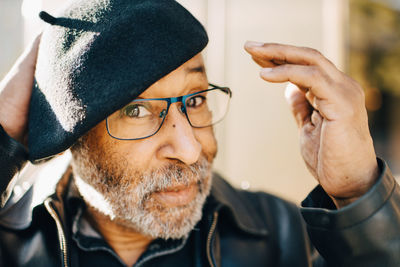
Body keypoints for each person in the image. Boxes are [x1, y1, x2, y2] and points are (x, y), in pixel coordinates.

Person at [0, 0, 399, 266]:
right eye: (136, 110)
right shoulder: (10, 242)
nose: (191, 149)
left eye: (194, 101)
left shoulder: (284, 235)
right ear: (74, 137)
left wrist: (356, 195)